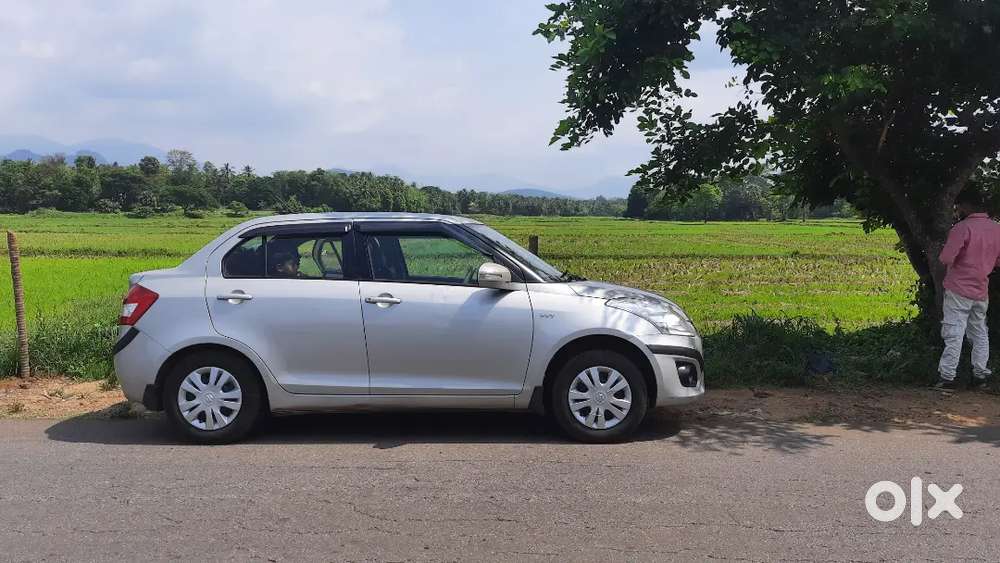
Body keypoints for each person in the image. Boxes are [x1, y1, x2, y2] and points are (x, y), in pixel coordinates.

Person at [933, 188, 1000, 392]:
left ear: (967, 205)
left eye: (959, 206)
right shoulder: (997, 229)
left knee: (954, 331)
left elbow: (946, 258)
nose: (958, 209)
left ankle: (947, 378)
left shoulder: (962, 228)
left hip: (958, 288)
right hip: (981, 289)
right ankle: (980, 376)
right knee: (979, 332)